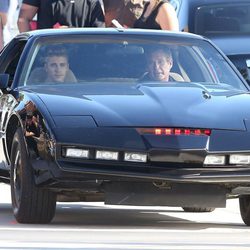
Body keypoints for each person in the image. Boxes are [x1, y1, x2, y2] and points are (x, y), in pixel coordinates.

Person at [17, 0, 105, 33]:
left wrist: (69, 32)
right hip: (48, 56)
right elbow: (23, 20)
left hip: (82, 55)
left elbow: (99, 35)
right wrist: (31, 47)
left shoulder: (93, 3)